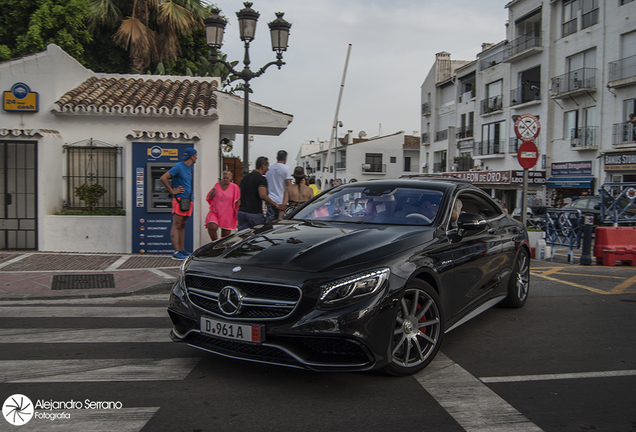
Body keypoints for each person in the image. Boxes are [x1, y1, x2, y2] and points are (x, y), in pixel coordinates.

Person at [160, 147, 197, 260]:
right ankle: (176, 252)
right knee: (176, 225)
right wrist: (172, 191)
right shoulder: (178, 166)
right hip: (179, 200)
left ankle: (182, 249)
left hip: (188, 201)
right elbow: (163, 178)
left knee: (182, 226)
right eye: (196, 155)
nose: (196, 158)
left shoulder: (191, 169)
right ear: (191, 156)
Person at [237, 156, 282, 230]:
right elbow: (262, 195)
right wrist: (276, 205)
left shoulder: (244, 178)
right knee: (259, 235)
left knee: (243, 236)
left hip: (242, 212)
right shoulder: (261, 179)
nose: (268, 169)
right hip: (254, 213)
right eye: (267, 166)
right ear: (263, 166)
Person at [205, 170, 240, 242]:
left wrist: (239, 212)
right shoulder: (217, 185)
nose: (225, 180)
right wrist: (211, 193)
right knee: (211, 226)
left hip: (227, 213)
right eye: (224, 178)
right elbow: (210, 197)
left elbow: (237, 200)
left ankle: (221, 248)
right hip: (215, 211)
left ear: (230, 178)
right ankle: (214, 242)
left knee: (225, 236)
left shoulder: (234, 187)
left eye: (227, 178)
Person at [264, 150, 292, 222]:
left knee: (270, 224)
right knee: (281, 224)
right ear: (285, 158)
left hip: (271, 200)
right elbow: (289, 185)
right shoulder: (286, 169)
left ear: (277, 157)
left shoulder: (269, 169)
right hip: (282, 201)